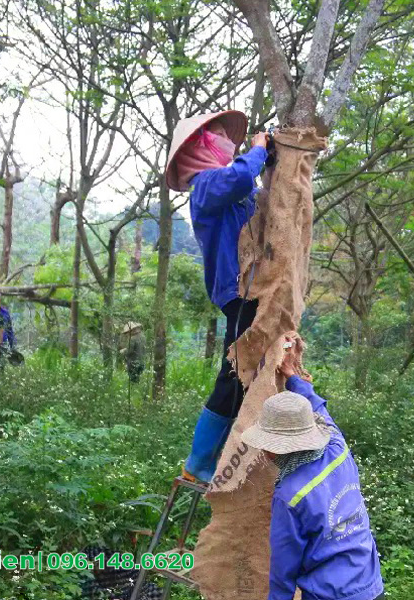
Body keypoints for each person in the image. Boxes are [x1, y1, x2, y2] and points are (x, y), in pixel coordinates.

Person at [164, 110, 270, 483]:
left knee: (248, 376)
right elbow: (241, 177)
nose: (231, 142)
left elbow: (257, 198)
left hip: (251, 290)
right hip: (237, 291)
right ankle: (199, 463)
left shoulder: (227, 189)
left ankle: (226, 458)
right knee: (233, 373)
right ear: (202, 145)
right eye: (221, 136)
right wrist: (258, 151)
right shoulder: (206, 185)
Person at [240, 338, 385, 600]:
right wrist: (292, 375)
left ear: (278, 448)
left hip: (330, 594)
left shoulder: (290, 495)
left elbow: (283, 572)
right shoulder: (336, 447)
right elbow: (318, 407)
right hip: (370, 584)